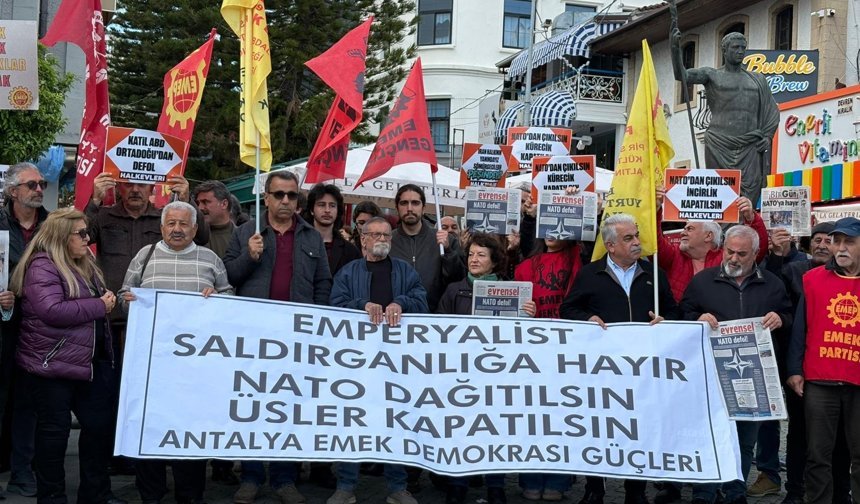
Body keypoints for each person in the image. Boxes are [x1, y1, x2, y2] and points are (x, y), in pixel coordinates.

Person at [224, 170, 331, 504]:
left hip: (297, 335)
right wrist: (249, 256)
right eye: (279, 194)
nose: (286, 201)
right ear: (266, 198)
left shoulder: (312, 237)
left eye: (292, 195)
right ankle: (252, 476)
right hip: (255, 335)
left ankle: (285, 478)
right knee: (255, 405)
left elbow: (323, 283)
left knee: (289, 406)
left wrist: (318, 323)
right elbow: (227, 278)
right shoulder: (245, 233)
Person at [118, 201, 232, 504]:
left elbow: (229, 297)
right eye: (171, 224)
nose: (177, 229)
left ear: (195, 228)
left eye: (184, 224)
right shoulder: (146, 256)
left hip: (196, 370)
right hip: (152, 367)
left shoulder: (210, 259)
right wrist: (129, 300)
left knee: (189, 433)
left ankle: (190, 495)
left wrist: (217, 297)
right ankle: (150, 495)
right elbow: (123, 296)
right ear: (162, 227)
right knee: (150, 430)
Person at [560, 213, 678, 504]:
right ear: (610, 245)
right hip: (601, 369)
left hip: (642, 370)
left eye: (636, 235)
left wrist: (665, 321)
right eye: (629, 238)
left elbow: (675, 313)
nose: (637, 242)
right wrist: (588, 318)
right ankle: (594, 487)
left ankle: (635, 490)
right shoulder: (591, 274)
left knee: (638, 428)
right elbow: (568, 309)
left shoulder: (653, 274)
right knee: (598, 427)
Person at [10, 208, 124, 504]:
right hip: (52, 366)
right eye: (82, 233)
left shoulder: (85, 263)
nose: (88, 238)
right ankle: (52, 497)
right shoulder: (41, 265)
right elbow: (52, 311)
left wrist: (115, 300)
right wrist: (100, 305)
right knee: (53, 436)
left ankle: (96, 495)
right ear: (62, 237)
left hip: (91, 363)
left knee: (98, 430)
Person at [681, 225, 792, 504]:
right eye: (729, 251)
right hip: (710, 376)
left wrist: (780, 319)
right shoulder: (702, 281)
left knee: (744, 441)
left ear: (755, 253)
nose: (734, 258)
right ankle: (704, 493)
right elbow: (682, 314)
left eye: (742, 254)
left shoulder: (772, 283)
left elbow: (789, 316)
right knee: (708, 435)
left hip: (752, 378)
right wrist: (697, 319)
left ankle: (735, 492)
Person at [328, 216, 426, 504]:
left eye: (386, 235)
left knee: (395, 422)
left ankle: (397, 488)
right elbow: (334, 306)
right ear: (363, 240)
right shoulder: (348, 273)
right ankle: (346, 486)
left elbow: (422, 300)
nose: (382, 240)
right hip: (357, 362)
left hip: (397, 363)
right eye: (376, 235)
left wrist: (401, 303)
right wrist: (362, 306)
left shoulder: (406, 272)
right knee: (353, 422)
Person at [437, 232, 533, 504]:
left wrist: (528, 314)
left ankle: (496, 485)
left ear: (495, 260)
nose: (474, 259)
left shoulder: (514, 289)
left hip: (497, 373)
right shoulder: (455, 290)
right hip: (461, 372)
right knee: (461, 430)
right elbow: (440, 328)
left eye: (481, 254)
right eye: (470, 254)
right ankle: (458, 483)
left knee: (495, 429)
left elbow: (521, 336)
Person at [763, 221, 850, 504]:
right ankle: (799, 492)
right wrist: (795, 369)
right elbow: (794, 320)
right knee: (807, 441)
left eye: (833, 240)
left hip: (847, 373)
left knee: (845, 446)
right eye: (821, 240)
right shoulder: (802, 274)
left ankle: (841, 493)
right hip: (808, 371)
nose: (828, 246)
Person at [786, 217, 860, 504]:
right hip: (820, 380)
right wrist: (794, 369)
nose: (840, 248)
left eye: (849, 242)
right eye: (836, 241)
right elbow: (800, 328)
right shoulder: (813, 279)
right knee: (818, 455)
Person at [670, 18, 779, 203]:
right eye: (736, 47)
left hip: (750, 144)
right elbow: (682, 75)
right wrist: (674, 48)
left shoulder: (757, 79)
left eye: (743, 48)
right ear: (725, 50)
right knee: (720, 196)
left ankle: (744, 230)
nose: (740, 51)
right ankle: (721, 231)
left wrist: (767, 137)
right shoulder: (712, 75)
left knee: (750, 193)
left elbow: (771, 111)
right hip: (719, 143)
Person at [0, 162, 49, 497]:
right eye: (31, 185)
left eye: (41, 184)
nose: (39, 190)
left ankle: (22, 471)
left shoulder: (52, 226)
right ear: (13, 190)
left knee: (28, 403)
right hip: (4, 326)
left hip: (39, 326)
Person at [656, 192, 768, 302]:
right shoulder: (674, 255)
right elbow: (654, 243)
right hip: (681, 317)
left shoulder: (726, 257)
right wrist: (656, 209)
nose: (682, 233)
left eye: (689, 229)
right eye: (685, 228)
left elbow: (755, 250)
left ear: (708, 236)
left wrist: (751, 217)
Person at [390, 184, 465, 312]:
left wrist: (448, 252)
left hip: (435, 317)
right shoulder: (387, 240)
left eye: (415, 203)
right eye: (404, 203)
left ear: (423, 208)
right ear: (397, 208)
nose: (409, 208)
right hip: (395, 317)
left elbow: (458, 279)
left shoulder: (445, 241)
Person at [514, 237, 583, 319]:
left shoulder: (577, 257)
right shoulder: (527, 265)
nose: (550, 234)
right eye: (546, 227)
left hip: (569, 324)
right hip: (537, 324)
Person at [303, 184, 361, 275]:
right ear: (311, 210)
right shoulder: (298, 242)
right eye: (321, 205)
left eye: (332, 205)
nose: (327, 210)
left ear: (338, 210)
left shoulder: (350, 251)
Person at [193, 180, 236, 259]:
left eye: (205, 202)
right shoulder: (193, 234)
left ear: (224, 204)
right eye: (198, 203)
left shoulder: (241, 236)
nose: (200, 208)